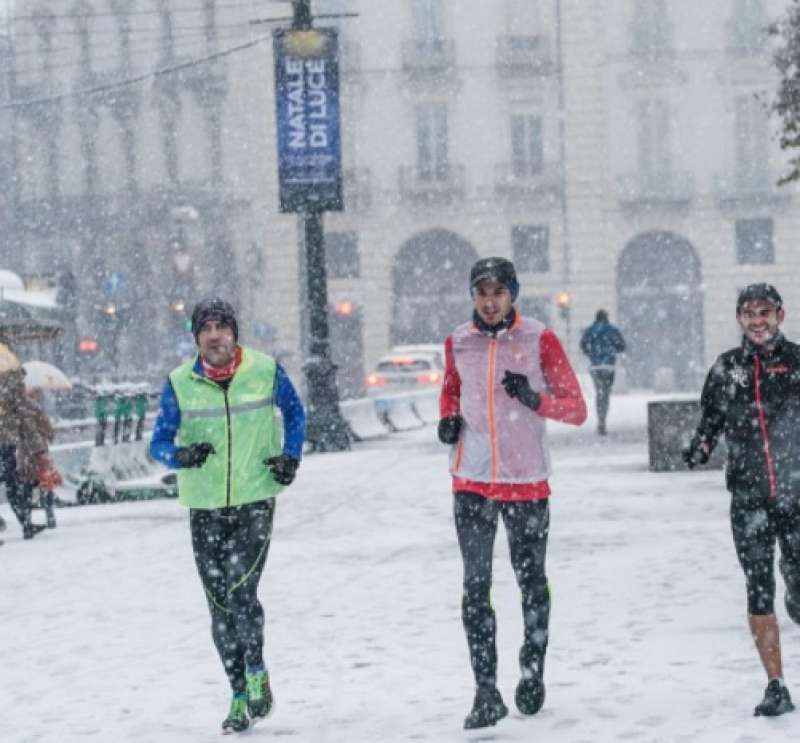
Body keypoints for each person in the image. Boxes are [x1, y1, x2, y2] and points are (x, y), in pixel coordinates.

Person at [438, 257, 587, 729]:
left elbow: (576, 409)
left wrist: (533, 399)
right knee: (474, 587)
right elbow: (452, 388)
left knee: (530, 582)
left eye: (498, 291)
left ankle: (531, 667)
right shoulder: (458, 340)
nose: (489, 300)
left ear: (513, 294)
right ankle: (485, 692)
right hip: (472, 481)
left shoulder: (539, 338)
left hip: (526, 481)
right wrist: (447, 419)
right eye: (481, 292)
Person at [150, 298, 306, 734]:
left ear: (235, 332)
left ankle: (256, 667)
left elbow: (294, 414)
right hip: (204, 505)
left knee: (240, 590)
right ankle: (238, 693)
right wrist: (178, 455)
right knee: (218, 606)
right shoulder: (179, 382)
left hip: (255, 496)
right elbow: (157, 443)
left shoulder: (265, 369)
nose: (214, 335)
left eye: (222, 327)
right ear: (196, 336)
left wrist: (290, 456)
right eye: (206, 328)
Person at [683, 283, 799, 718]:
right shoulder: (726, 369)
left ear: (780, 316)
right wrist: (699, 446)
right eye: (749, 313)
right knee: (757, 588)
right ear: (739, 319)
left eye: (764, 312)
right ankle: (776, 683)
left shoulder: (797, 362)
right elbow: (710, 420)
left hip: (797, 495)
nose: (757, 320)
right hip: (748, 497)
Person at [0, 339, 62, 540]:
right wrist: (38, 449)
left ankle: (25, 523)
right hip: (6, 441)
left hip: (7, 440)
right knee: (13, 484)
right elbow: (24, 417)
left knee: (13, 483)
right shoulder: (11, 379)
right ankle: (26, 523)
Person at [579, 309, 626, 435]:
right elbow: (622, 346)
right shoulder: (613, 330)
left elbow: (582, 345)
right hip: (608, 366)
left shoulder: (590, 330)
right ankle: (603, 419)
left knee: (599, 393)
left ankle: (600, 418)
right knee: (605, 393)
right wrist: (612, 351)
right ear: (607, 318)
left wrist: (591, 354)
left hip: (595, 367)